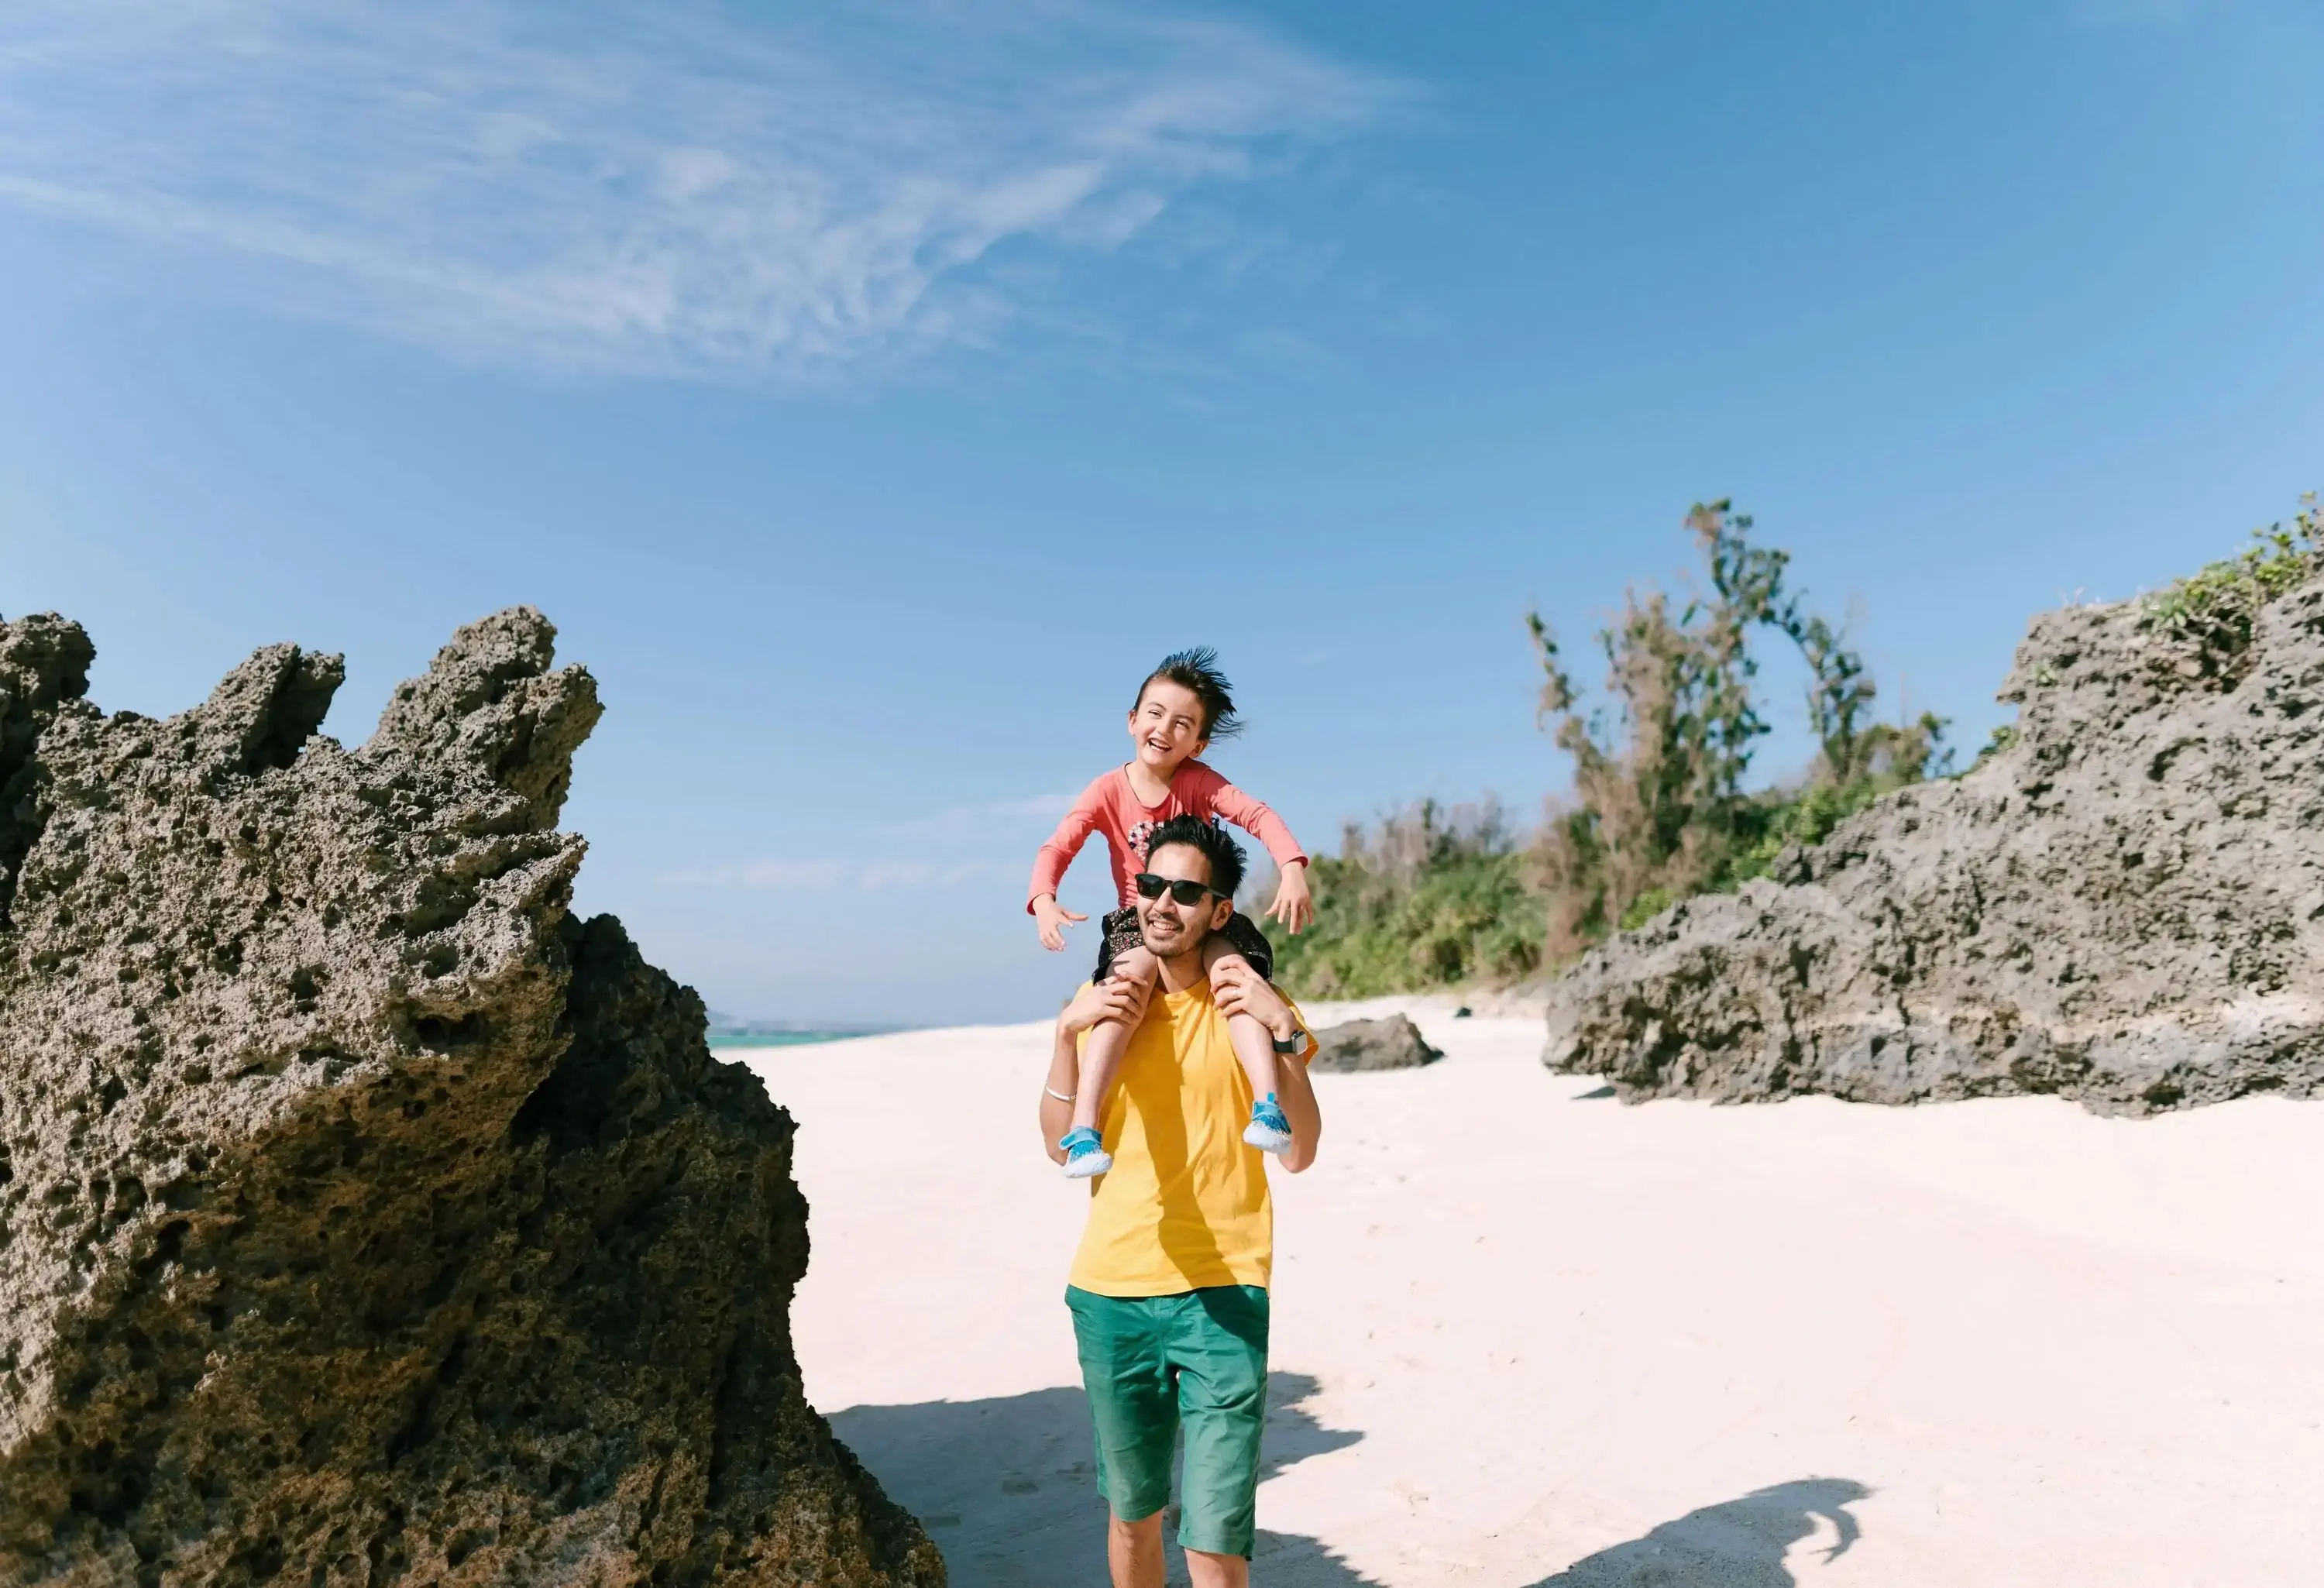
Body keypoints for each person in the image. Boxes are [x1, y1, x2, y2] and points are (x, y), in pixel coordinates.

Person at [1039, 815, 1322, 1587]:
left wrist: (1287, 1031)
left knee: (1216, 1528)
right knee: (1134, 1514)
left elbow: (1298, 1152)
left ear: (1219, 911)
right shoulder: (1104, 1000)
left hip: (1224, 1292)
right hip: (1112, 1291)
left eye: (1186, 891)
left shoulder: (1251, 1008)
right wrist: (1066, 1037)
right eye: (1151, 886)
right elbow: (1057, 1142)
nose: (1164, 903)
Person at [1027, 648, 1314, 1178]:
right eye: (1155, 714)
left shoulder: (1199, 782)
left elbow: (1256, 814)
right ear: (1133, 720)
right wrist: (1043, 899)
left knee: (1235, 974)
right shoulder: (1107, 790)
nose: (1165, 729)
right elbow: (1058, 846)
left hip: (1201, 919)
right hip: (1138, 927)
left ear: (1198, 742)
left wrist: (1292, 866)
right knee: (1126, 986)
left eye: (1183, 724)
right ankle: (1085, 1129)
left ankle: (1268, 1106)